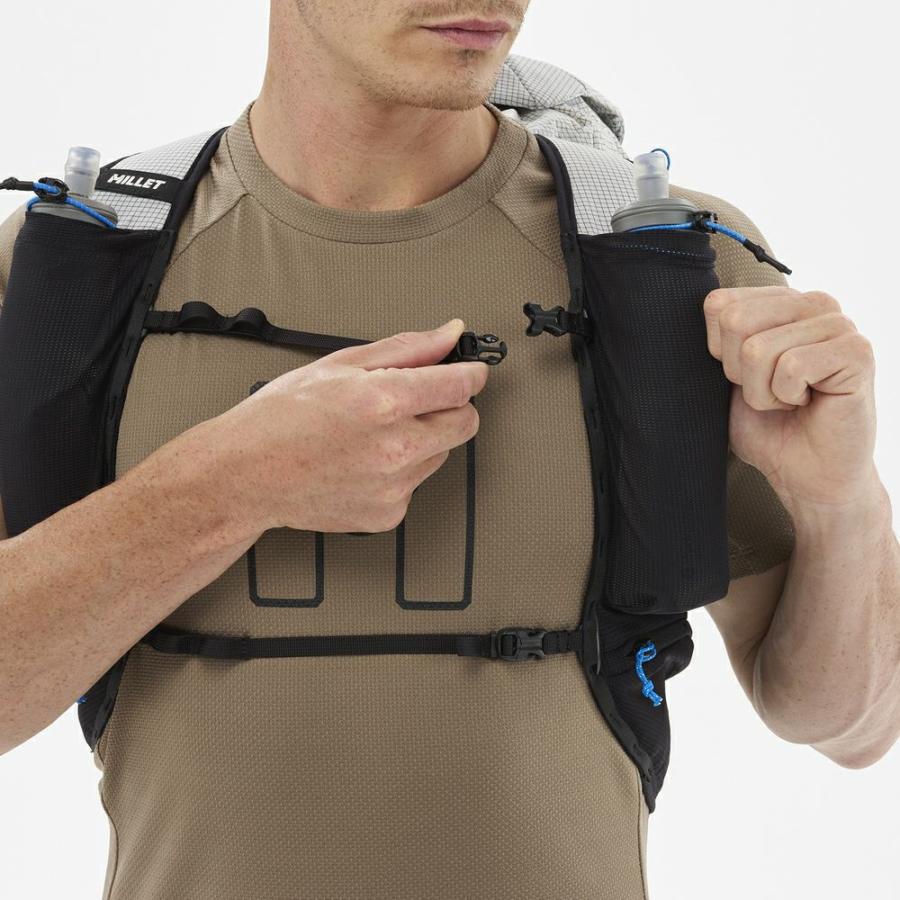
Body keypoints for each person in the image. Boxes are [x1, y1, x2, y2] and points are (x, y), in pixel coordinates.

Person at [0, 2, 897, 898]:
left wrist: (843, 499)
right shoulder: (75, 267)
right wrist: (228, 486)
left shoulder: (663, 263)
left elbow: (850, 728)